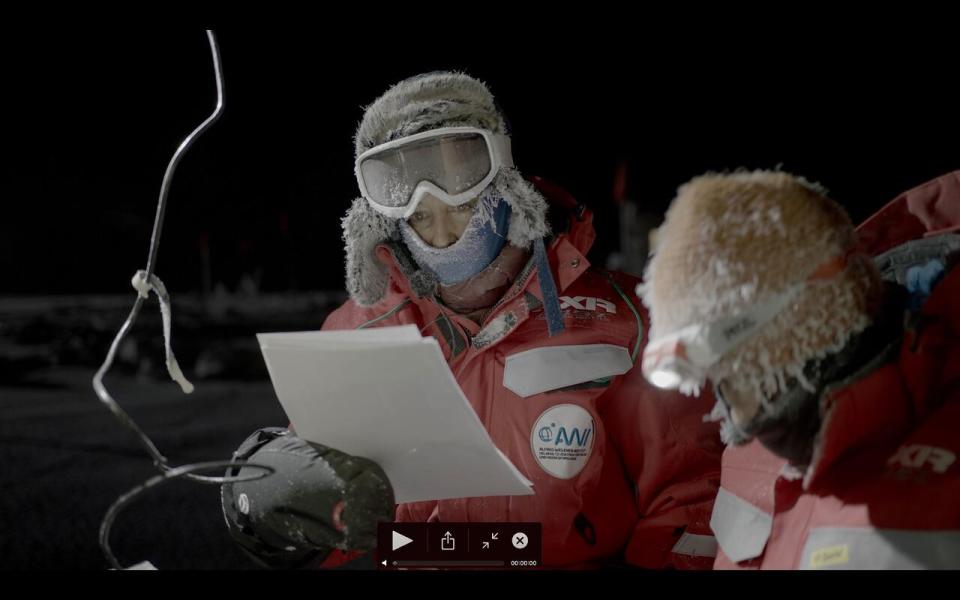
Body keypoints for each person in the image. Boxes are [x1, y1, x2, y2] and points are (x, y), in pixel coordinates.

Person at [222, 71, 722, 569]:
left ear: (504, 187)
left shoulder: (625, 317)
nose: (440, 234)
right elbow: (330, 519)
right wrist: (278, 502)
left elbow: (689, 494)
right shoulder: (360, 332)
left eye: (460, 205)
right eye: (419, 217)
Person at [639, 169, 960, 569]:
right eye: (714, 372)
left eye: (737, 364)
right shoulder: (750, 449)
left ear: (799, 323)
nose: (723, 390)